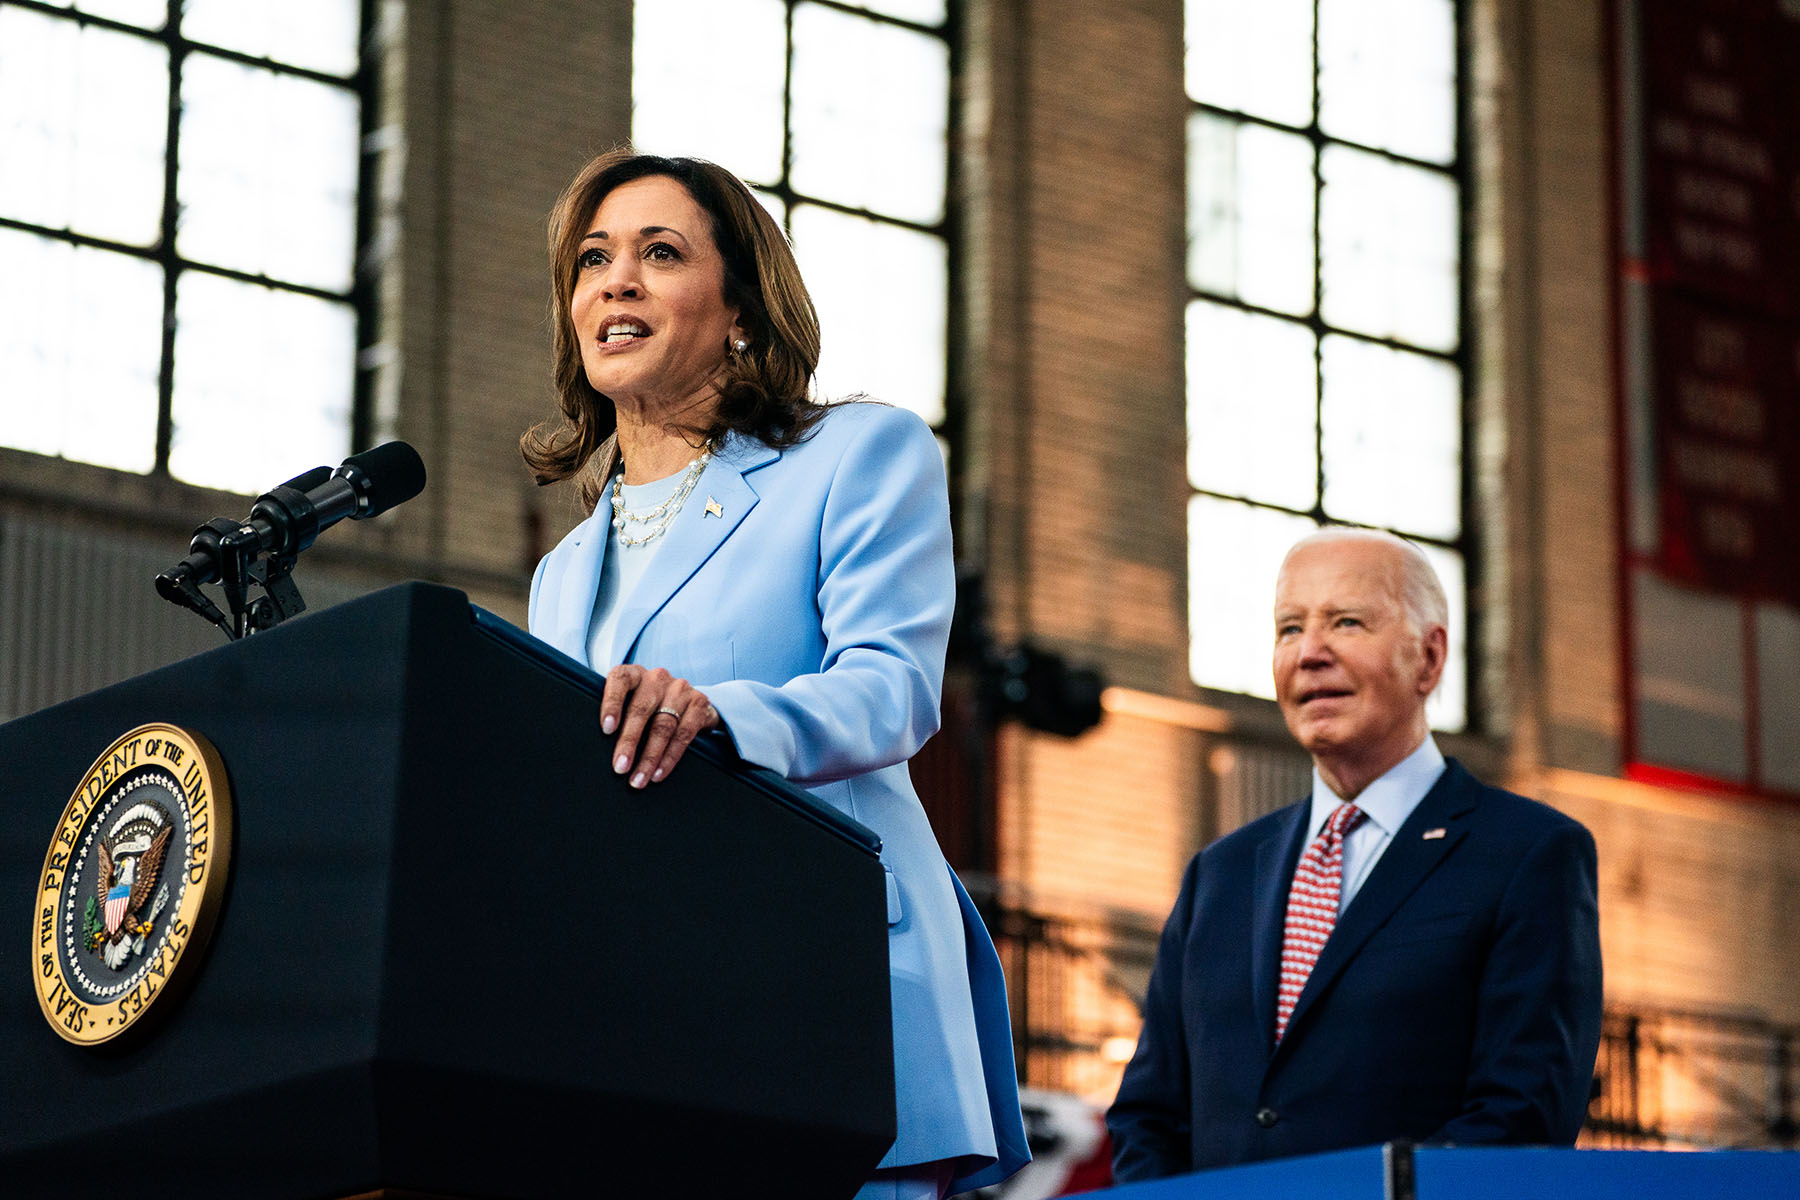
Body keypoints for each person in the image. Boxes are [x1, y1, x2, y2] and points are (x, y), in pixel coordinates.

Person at [520, 149, 1028, 1199]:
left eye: (661, 254)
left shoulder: (859, 454)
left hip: (823, 992)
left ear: (741, 308)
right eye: (593, 260)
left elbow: (894, 685)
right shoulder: (562, 575)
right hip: (641, 1039)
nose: (616, 281)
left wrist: (723, 714)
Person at [1107, 527, 1603, 1179]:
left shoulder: (1529, 855)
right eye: (1289, 629)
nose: (1309, 653)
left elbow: (1520, 1116)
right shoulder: (1219, 876)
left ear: (1428, 659)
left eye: (1346, 622)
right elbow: (1147, 1117)